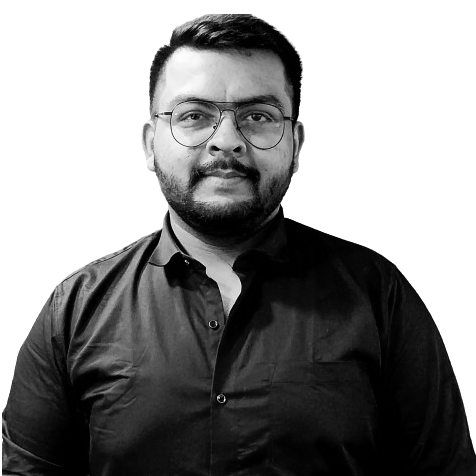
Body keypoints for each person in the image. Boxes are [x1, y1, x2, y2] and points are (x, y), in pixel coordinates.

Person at [2, 13, 475, 476]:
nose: (226, 141)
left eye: (257, 116)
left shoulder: (379, 294)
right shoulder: (75, 307)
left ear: (296, 144)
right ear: (148, 144)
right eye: (194, 116)